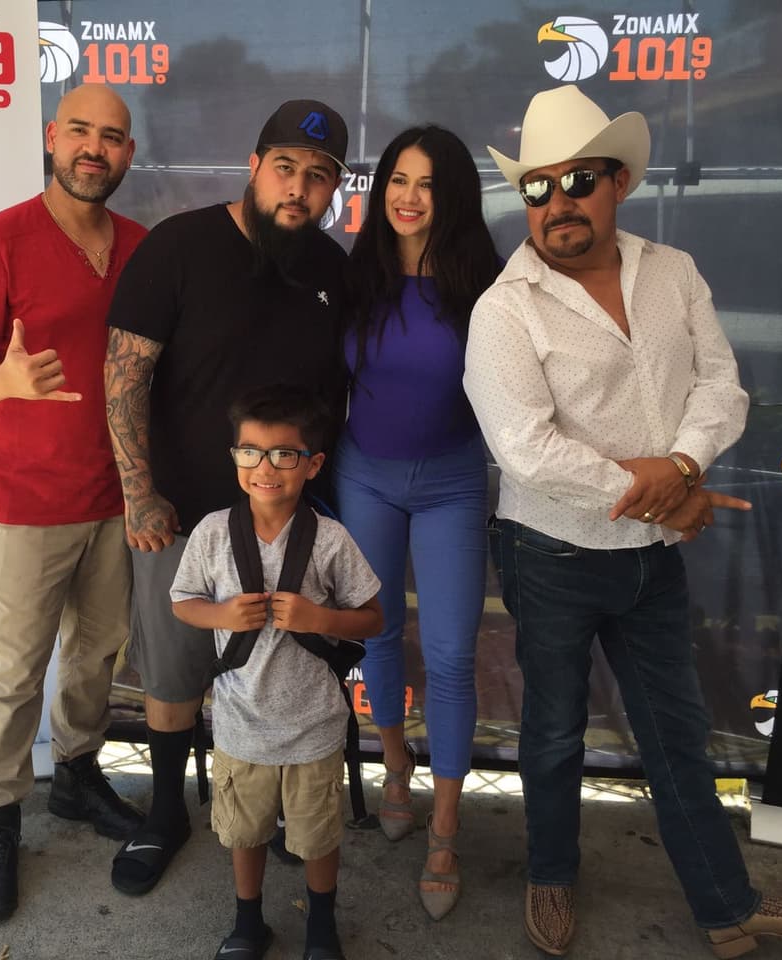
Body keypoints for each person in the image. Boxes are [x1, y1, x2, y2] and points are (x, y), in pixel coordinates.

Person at [464, 84, 782, 957]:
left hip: (652, 553)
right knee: (554, 734)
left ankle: (727, 907)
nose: (556, 203)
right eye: (537, 188)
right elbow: (526, 451)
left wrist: (678, 471)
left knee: (675, 736)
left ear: (621, 180)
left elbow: (721, 387)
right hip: (549, 554)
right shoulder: (503, 310)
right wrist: (665, 487)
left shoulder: (673, 274)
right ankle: (550, 879)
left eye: (578, 180)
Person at [104, 98, 352, 897]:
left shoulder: (332, 272)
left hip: (290, 528)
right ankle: (165, 815)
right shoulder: (180, 246)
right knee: (174, 676)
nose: (298, 189)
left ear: (334, 189)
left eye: (319, 177)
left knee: (279, 677)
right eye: (285, 167)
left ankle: (272, 809)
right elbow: (125, 374)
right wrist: (140, 495)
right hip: (181, 514)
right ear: (253, 166)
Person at [0, 84, 148, 923]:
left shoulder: (140, 246)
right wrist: (7, 380)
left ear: (129, 154)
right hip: (22, 500)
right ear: (53, 139)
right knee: (17, 668)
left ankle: (77, 776)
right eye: (82, 134)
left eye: (114, 138)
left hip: (115, 492)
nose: (96, 150)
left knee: (98, 651)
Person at [333, 124, 502, 920]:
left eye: (427, 183)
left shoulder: (486, 284)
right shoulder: (356, 273)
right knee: (374, 632)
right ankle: (393, 763)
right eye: (398, 178)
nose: (407, 196)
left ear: (454, 195)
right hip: (363, 474)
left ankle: (443, 830)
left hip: (452, 486)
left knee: (451, 652)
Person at [170, 385, 382, 960]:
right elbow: (183, 601)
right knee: (245, 832)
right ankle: (247, 922)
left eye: (284, 454)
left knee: (316, 836)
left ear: (312, 464)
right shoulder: (214, 532)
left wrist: (322, 617)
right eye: (250, 452)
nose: (266, 468)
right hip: (241, 722)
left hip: (314, 723)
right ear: (234, 456)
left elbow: (373, 618)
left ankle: (321, 925)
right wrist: (220, 613)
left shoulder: (330, 539)